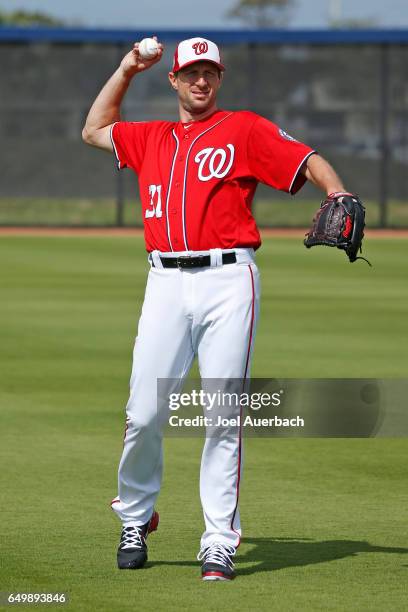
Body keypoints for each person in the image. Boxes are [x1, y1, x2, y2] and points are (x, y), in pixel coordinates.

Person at [82, 36, 348, 581]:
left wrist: (338, 194)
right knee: (144, 412)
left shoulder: (244, 129)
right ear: (174, 80)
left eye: (210, 72)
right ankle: (134, 517)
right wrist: (128, 67)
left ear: (219, 79)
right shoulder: (150, 137)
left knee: (223, 416)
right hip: (165, 282)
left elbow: (307, 158)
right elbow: (93, 129)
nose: (201, 81)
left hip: (230, 280)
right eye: (191, 73)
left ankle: (219, 541)